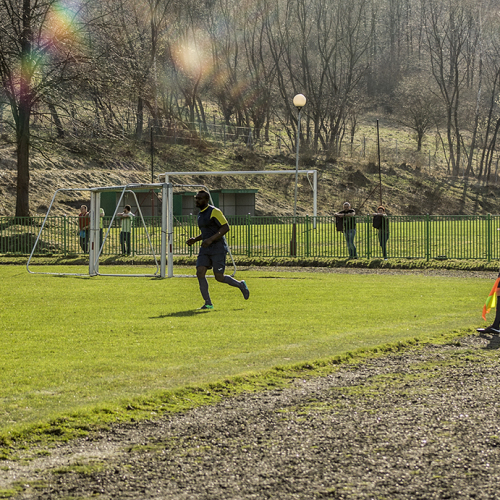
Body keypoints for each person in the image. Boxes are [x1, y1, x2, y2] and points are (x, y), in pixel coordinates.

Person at [186, 190, 249, 310]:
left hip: (218, 248)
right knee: (200, 272)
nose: (197, 200)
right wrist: (195, 239)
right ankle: (208, 303)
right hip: (205, 249)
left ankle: (241, 285)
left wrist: (210, 240)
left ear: (206, 200)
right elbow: (206, 232)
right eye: (196, 198)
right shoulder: (200, 214)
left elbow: (226, 227)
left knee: (219, 277)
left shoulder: (214, 211)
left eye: (199, 198)